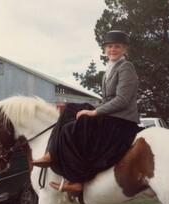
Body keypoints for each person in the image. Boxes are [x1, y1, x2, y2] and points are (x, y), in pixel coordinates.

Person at [33, 30, 140, 193]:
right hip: (111, 115)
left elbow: (122, 101)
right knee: (68, 110)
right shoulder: (109, 70)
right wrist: (90, 109)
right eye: (109, 46)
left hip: (122, 121)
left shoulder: (126, 67)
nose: (113, 49)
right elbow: (106, 101)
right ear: (105, 50)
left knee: (72, 128)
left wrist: (93, 113)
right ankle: (51, 153)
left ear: (124, 49)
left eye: (117, 46)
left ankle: (76, 181)